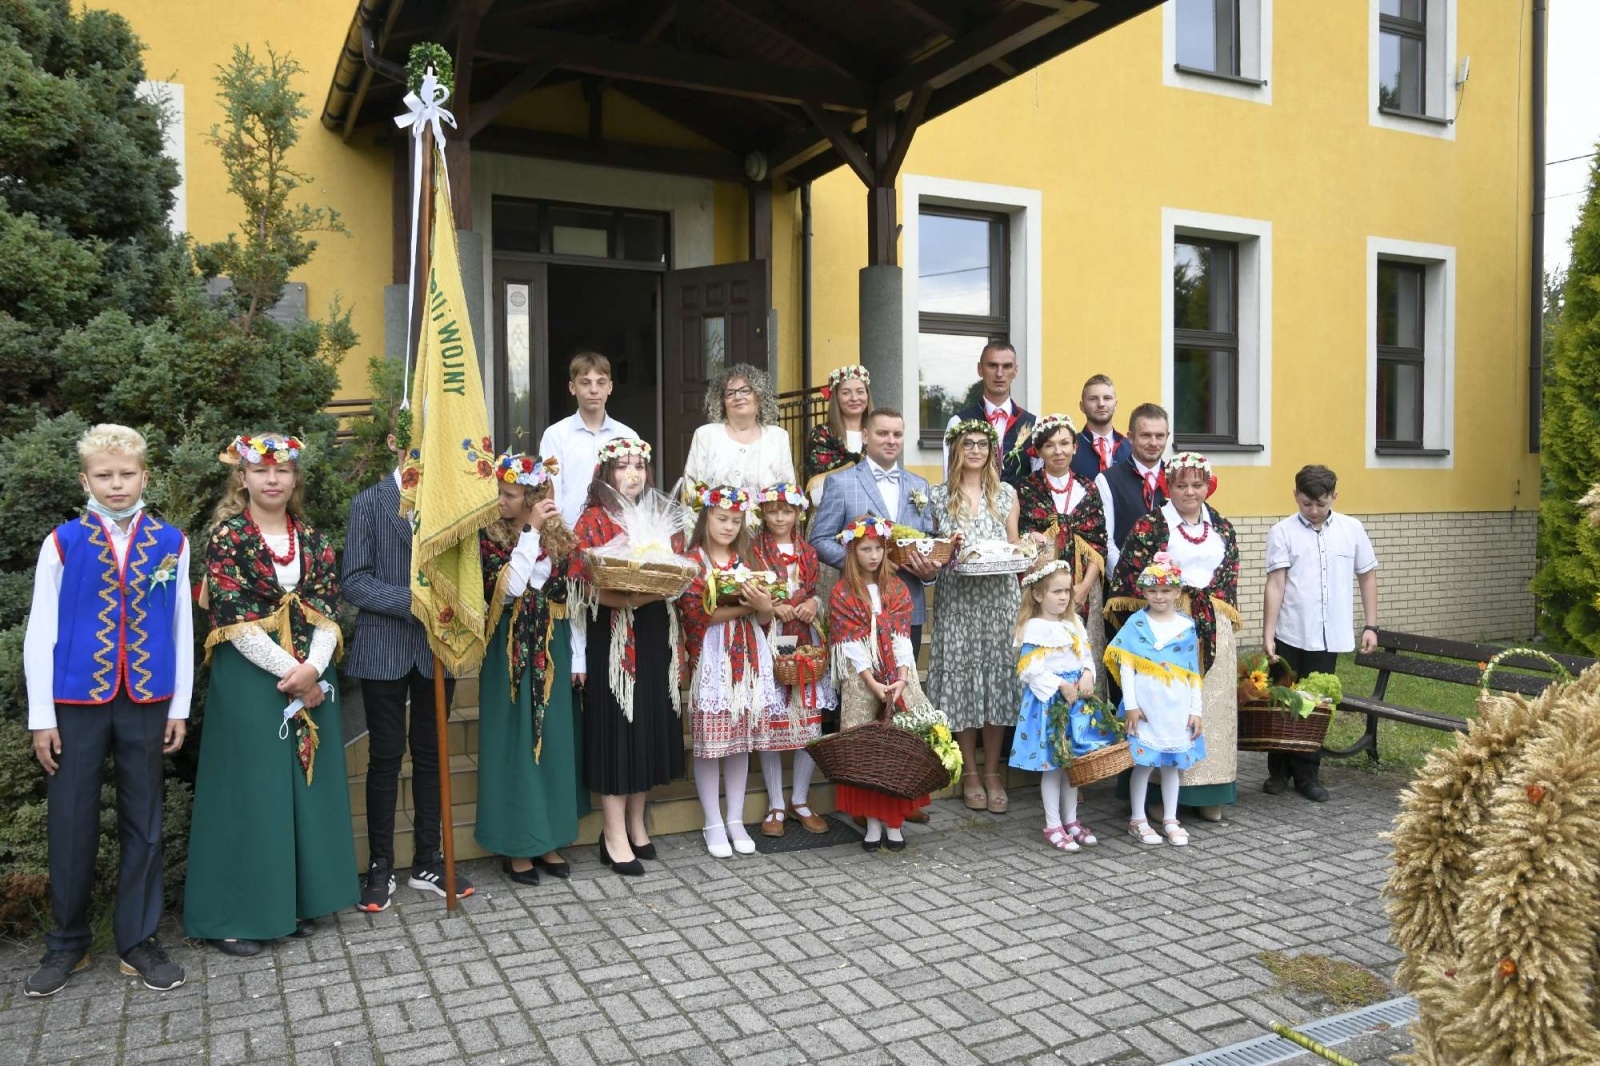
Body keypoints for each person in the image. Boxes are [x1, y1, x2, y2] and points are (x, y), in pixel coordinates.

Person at [22, 424, 190, 996]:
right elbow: (40, 630)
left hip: (147, 699)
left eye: (126, 474)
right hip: (76, 702)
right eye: (104, 475)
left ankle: (138, 941)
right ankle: (66, 944)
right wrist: (42, 716)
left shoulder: (171, 543)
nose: (116, 485)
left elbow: (180, 627)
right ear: (85, 481)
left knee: (145, 821)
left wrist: (179, 705)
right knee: (71, 819)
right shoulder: (62, 542)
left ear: (145, 476)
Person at [185, 434, 356, 955]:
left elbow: (327, 610)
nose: (272, 479)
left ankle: (291, 904)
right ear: (243, 478)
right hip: (252, 681)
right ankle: (233, 917)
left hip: (309, 678)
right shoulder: (228, 539)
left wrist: (315, 669)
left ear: (294, 477)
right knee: (251, 793)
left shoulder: (314, 539)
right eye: (260, 471)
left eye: (281, 470)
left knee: (300, 789)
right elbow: (234, 619)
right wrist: (295, 673)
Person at [342, 426, 472, 912]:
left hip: (437, 647)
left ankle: (427, 860)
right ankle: (380, 866)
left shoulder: (449, 505)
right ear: (395, 442)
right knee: (385, 755)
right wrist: (414, 602)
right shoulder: (369, 503)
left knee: (433, 754)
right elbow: (354, 581)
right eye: (413, 439)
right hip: (384, 646)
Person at [570, 437, 684, 877]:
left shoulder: (658, 515)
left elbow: (677, 569)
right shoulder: (593, 520)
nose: (632, 473)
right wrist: (630, 598)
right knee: (619, 729)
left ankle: (637, 824)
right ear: (606, 473)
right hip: (614, 634)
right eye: (622, 466)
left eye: (638, 465)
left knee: (648, 725)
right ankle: (612, 833)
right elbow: (582, 585)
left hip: (655, 631)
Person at [475, 451, 588, 885]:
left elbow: (573, 601)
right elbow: (510, 589)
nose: (501, 500)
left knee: (554, 743)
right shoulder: (489, 537)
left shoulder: (563, 539)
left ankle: (548, 838)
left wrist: (579, 656)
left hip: (553, 647)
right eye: (500, 493)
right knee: (515, 743)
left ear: (534, 496)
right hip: (509, 648)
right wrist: (530, 532)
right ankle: (516, 844)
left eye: (510, 494)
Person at [1109, 452, 1240, 821]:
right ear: (1169, 487)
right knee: (1163, 707)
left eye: (1197, 485)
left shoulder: (1222, 526)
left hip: (1212, 626)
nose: (1190, 492)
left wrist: (1207, 608)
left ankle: (1209, 791)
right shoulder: (1151, 525)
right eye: (1182, 485)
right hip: (1163, 627)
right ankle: (1156, 794)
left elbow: (1229, 575)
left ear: (1208, 486)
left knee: (1208, 708)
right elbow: (1131, 576)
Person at [676, 486, 785, 859]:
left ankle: (735, 818)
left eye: (736, 521)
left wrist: (764, 605)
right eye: (722, 519)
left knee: (740, 739)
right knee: (711, 742)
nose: (728, 526)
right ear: (706, 517)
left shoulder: (748, 558)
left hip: (748, 655)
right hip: (712, 655)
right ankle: (712, 821)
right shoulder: (693, 561)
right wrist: (747, 608)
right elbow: (697, 615)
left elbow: (765, 617)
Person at [1262, 464, 1380, 802]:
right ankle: (1278, 771)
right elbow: (1276, 584)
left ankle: (1307, 774)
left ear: (1334, 497)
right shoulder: (1282, 532)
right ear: (1295, 496)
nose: (1313, 511)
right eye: (1306, 503)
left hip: (1329, 637)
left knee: (1316, 705)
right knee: (1282, 701)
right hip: (1290, 632)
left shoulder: (1352, 529)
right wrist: (1268, 633)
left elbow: (1367, 576)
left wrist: (1371, 625)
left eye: (1321, 504)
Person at [926, 418, 1021, 815]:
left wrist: (1028, 548)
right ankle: (969, 772)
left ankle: (993, 771)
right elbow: (933, 551)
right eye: (969, 444)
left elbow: (1014, 544)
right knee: (963, 681)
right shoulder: (936, 496)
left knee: (997, 680)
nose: (976, 450)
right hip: (958, 600)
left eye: (983, 444)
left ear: (992, 451)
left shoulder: (1006, 494)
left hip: (1000, 599)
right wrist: (948, 549)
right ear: (955, 449)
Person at [827, 515, 933, 851]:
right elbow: (850, 644)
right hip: (863, 679)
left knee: (898, 747)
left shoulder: (896, 588)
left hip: (897, 674)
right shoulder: (843, 593)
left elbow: (901, 636)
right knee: (868, 751)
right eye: (865, 549)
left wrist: (901, 677)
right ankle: (872, 823)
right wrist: (872, 683)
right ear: (852, 551)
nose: (873, 556)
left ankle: (895, 823)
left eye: (878, 549)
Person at [809, 408, 940, 651]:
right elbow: (819, 540)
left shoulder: (919, 484)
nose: (891, 440)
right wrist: (860, 563)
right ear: (865, 436)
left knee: (906, 675)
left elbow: (926, 540)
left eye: (897, 434)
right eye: (882, 433)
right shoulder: (841, 482)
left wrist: (929, 573)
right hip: (857, 607)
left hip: (908, 608)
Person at [1105, 554, 1205, 847]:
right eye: (1152, 591)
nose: (1159, 596)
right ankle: (1138, 819)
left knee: (1171, 766)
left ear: (1177, 592)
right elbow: (1126, 666)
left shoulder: (1186, 626)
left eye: (1165, 590)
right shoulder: (1136, 624)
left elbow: (1192, 672)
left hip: (1176, 706)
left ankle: (1170, 818)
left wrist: (1196, 710)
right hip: (1146, 707)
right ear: (1144, 592)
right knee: (1144, 764)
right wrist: (1131, 705)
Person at [750, 483, 833, 836]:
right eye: (772, 511)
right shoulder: (754, 551)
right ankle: (776, 804)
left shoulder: (809, 552)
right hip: (773, 638)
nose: (780, 517)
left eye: (786, 511)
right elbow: (750, 592)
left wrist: (813, 603)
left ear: (799, 513)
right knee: (774, 720)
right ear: (763, 514)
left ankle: (800, 799)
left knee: (808, 720)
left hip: (805, 639)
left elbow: (815, 592)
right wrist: (773, 606)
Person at [1008, 561, 1107, 853]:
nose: (1064, 597)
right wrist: (1060, 684)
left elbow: (1085, 655)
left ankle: (1071, 821)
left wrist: (1087, 674)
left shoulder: (1073, 623)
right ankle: (1053, 824)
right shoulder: (1034, 628)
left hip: (1075, 702)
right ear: (1039, 595)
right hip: (1050, 704)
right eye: (1056, 592)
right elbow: (1029, 669)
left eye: (1067, 591)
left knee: (1072, 764)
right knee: (1053, 766)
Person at [1016, 413, 1109, 689]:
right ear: (1039, 451)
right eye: (1050, 445)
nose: (1058, 451)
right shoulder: (1027, 489)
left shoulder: (1088, 488)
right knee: (1044, 658)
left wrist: (1083, 588)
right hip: (1040, 590)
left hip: (1083, 587)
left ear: (1075, 447)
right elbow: (1022, 542)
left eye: (1065, 443)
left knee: (1081, 653)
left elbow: (1098, 543)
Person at [538, 351, 637, 528]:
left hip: (618, 534)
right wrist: (557, 533)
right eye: (585, 383)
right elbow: (551, 489)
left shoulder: (628, 437)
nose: (594, 390)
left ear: (610, 387)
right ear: (572, 387)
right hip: (569, 533)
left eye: (601, 382)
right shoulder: (555, 435)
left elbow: (633, 488)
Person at [683, 363, 795, 493]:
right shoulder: (705, 435)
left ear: (759, 396)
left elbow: (789, 490)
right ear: (722, 402)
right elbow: (689, 489)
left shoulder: (778, 437)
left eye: (745, 390)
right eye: (730, 393)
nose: (738, 397)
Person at [945, 341, 1037, 488]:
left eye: (1007, 366)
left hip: (1020, 502)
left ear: (1015, 370)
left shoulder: (1033, 424)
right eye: (992, 366)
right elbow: (951, 479)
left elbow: (1038, 482)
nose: (999, 374)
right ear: (980, 369)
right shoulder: (958, 423)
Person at [1096, 403, 1171, 573]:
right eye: (1146, 435)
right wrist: (1128, 579)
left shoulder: (1177, 479)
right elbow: (1105, 540)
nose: (1153, 443)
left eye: (1159, 436)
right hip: (1125, 581)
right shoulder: (1107, 480)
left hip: (1172, 583)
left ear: (1167, 436)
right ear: (1130, 437)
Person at [804, 365, 872, 503]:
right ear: (836, 398)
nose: (854, 398)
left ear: (867, 395)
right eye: (846, 393)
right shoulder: (821, 435)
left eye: (860, 392)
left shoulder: (879, 434)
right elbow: (817, 493)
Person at [1072, 374, 1130, 481]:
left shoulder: (1131, 448)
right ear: (1082, 406)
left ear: (1115, 404)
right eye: (1093, 399)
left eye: (1107, 398)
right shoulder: (1070, 448)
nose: (1101, 404)